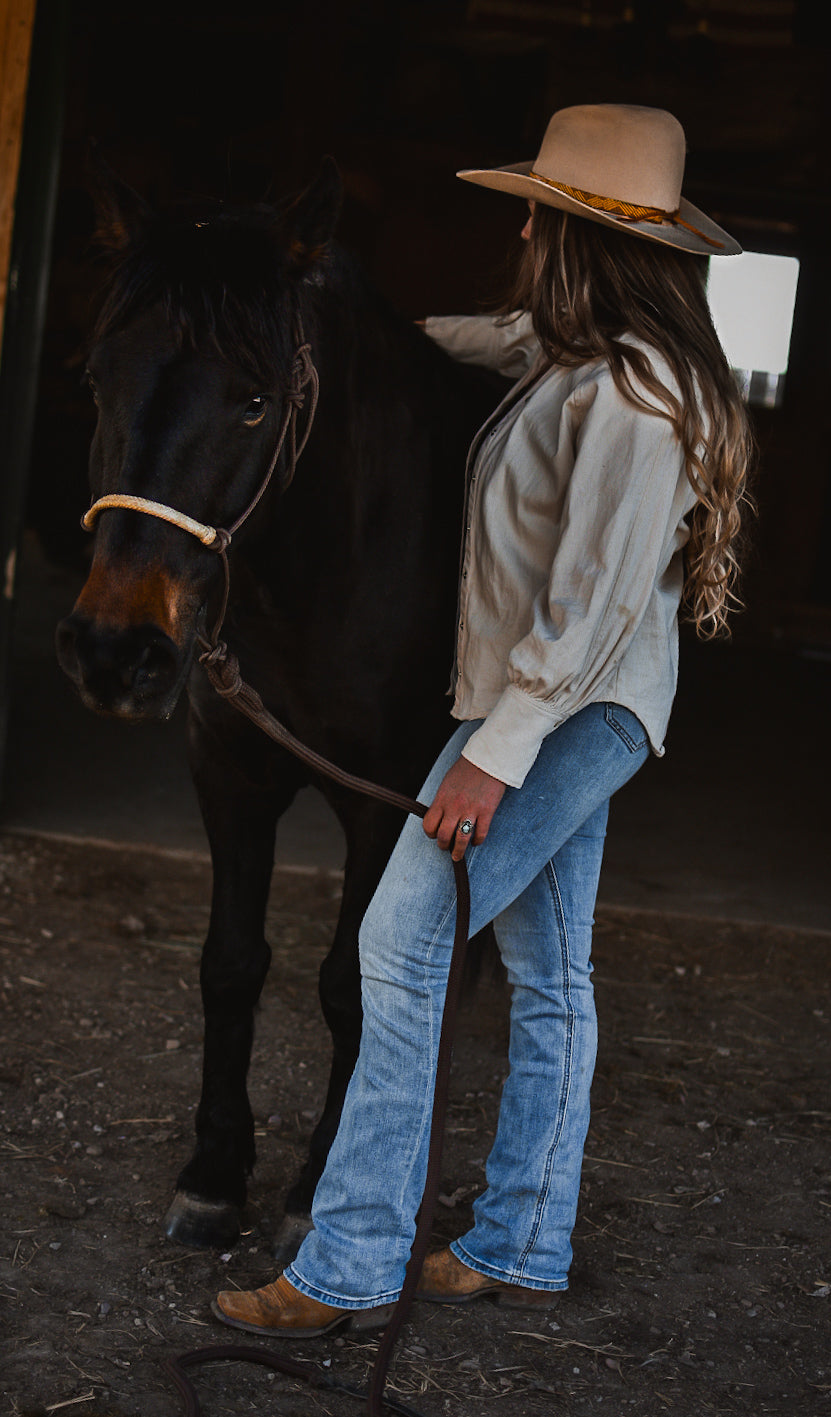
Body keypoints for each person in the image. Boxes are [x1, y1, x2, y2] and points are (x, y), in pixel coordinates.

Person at [212, 103, 753, 1335]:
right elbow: (499, 339)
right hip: (566, 707)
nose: (518, 223)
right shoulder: (580, 353)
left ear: (581, 236)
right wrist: (361, 336)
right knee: (553, 979)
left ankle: (344, 1265)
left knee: (401, 946)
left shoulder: (637, 399)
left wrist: (492, 762)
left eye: (539, 209)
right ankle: (520, 1238)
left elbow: (586, 607)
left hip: (562, 712)